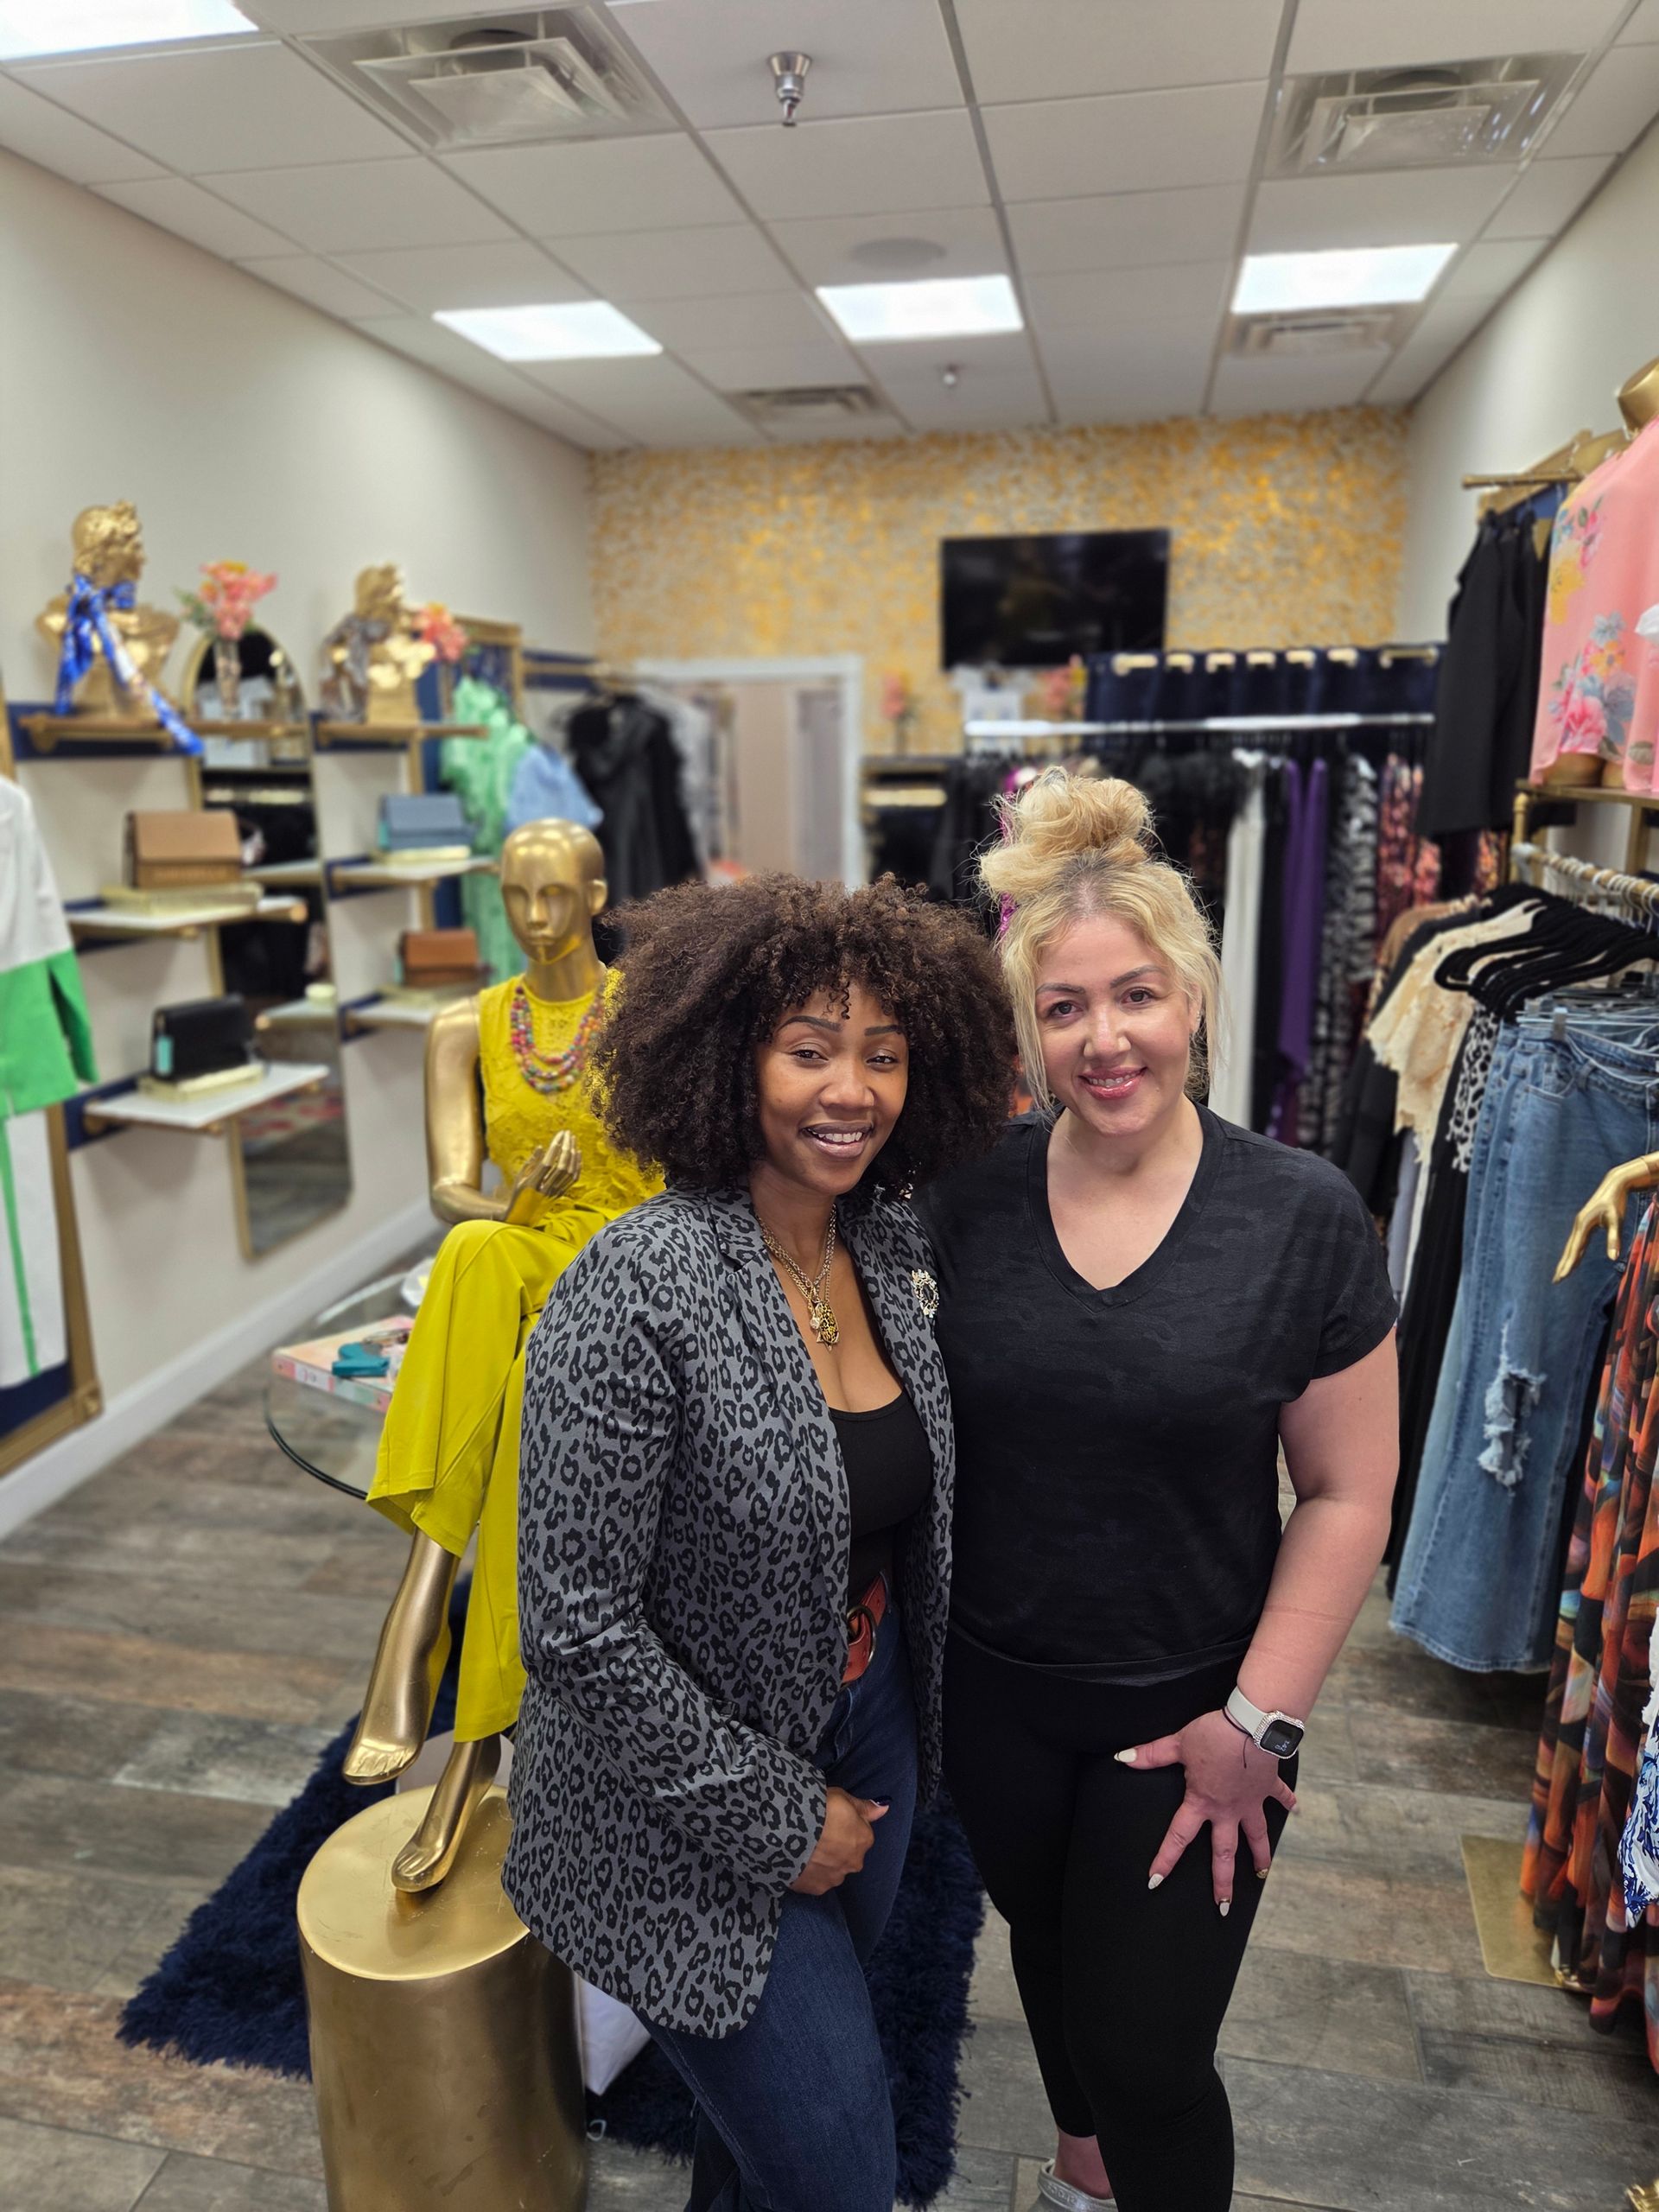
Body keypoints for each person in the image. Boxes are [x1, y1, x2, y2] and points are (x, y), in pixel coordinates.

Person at [920, 771, 1399, 2212]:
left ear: (1193, 997)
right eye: (1064, 1008)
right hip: (996, 1698)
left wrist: (1260, 1722)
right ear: (1030, 1027)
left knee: (1151, 2055)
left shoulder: (1300, 1213)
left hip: (1198, 1710)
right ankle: (1079, 2182)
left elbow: (1348, 1490)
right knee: (1050, 1960)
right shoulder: (964, 1193)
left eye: (1135, 996)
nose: (1104, 1039)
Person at [503, 872, 1014, 2212]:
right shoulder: (634, 1283)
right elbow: (572, 1625)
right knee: (842, 2173)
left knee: (755, 2153)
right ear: (731, 1058)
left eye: (885, 1055)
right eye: (810, 1049)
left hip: (873, 1726)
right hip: (681, 1805)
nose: (852, 1089)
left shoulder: (890, 1244)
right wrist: (777, 1817)